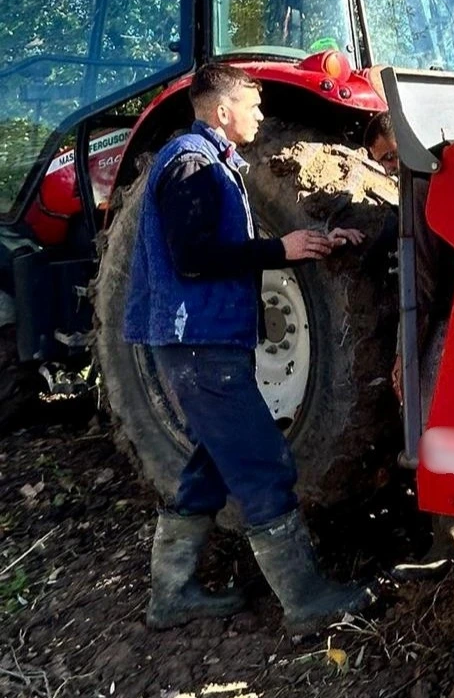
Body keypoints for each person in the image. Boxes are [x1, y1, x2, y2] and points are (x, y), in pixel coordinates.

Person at [124, 63, 371, 633]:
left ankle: (172, 592)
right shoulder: (191, 163)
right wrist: (274, 248)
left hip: (206, 341)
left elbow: (227, 247)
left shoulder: (214, 164)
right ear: (221, 110)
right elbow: (193, 260)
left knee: (212, 462)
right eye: (252, 104)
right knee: (263, 463)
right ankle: (306, 600)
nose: (259, 114)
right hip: (196, 343)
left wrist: (300, 245)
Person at [362, 112, 454, 579]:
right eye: (381, 161)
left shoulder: (419, 186)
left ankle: (450, 534)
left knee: (427, 414)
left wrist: (403, 358)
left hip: (451, 318)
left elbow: (421, 289)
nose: (390, 167)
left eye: (390, 155)